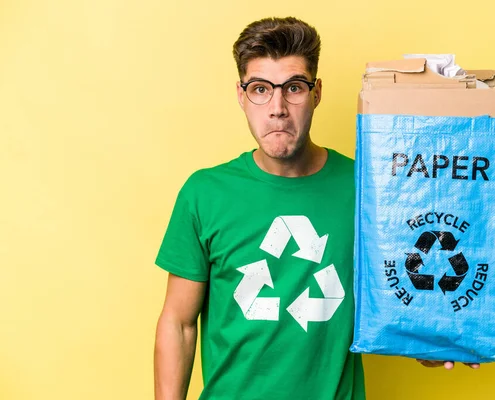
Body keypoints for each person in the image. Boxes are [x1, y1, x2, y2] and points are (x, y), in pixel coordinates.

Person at [153, 16, 477, 400]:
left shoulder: (371, 190)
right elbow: (179, 323)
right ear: (241, 96)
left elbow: (401, 288)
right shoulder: (205, 193)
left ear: (317, 92)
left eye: (293, 88)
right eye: (260, 88)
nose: (277, 108)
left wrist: (429, 336)